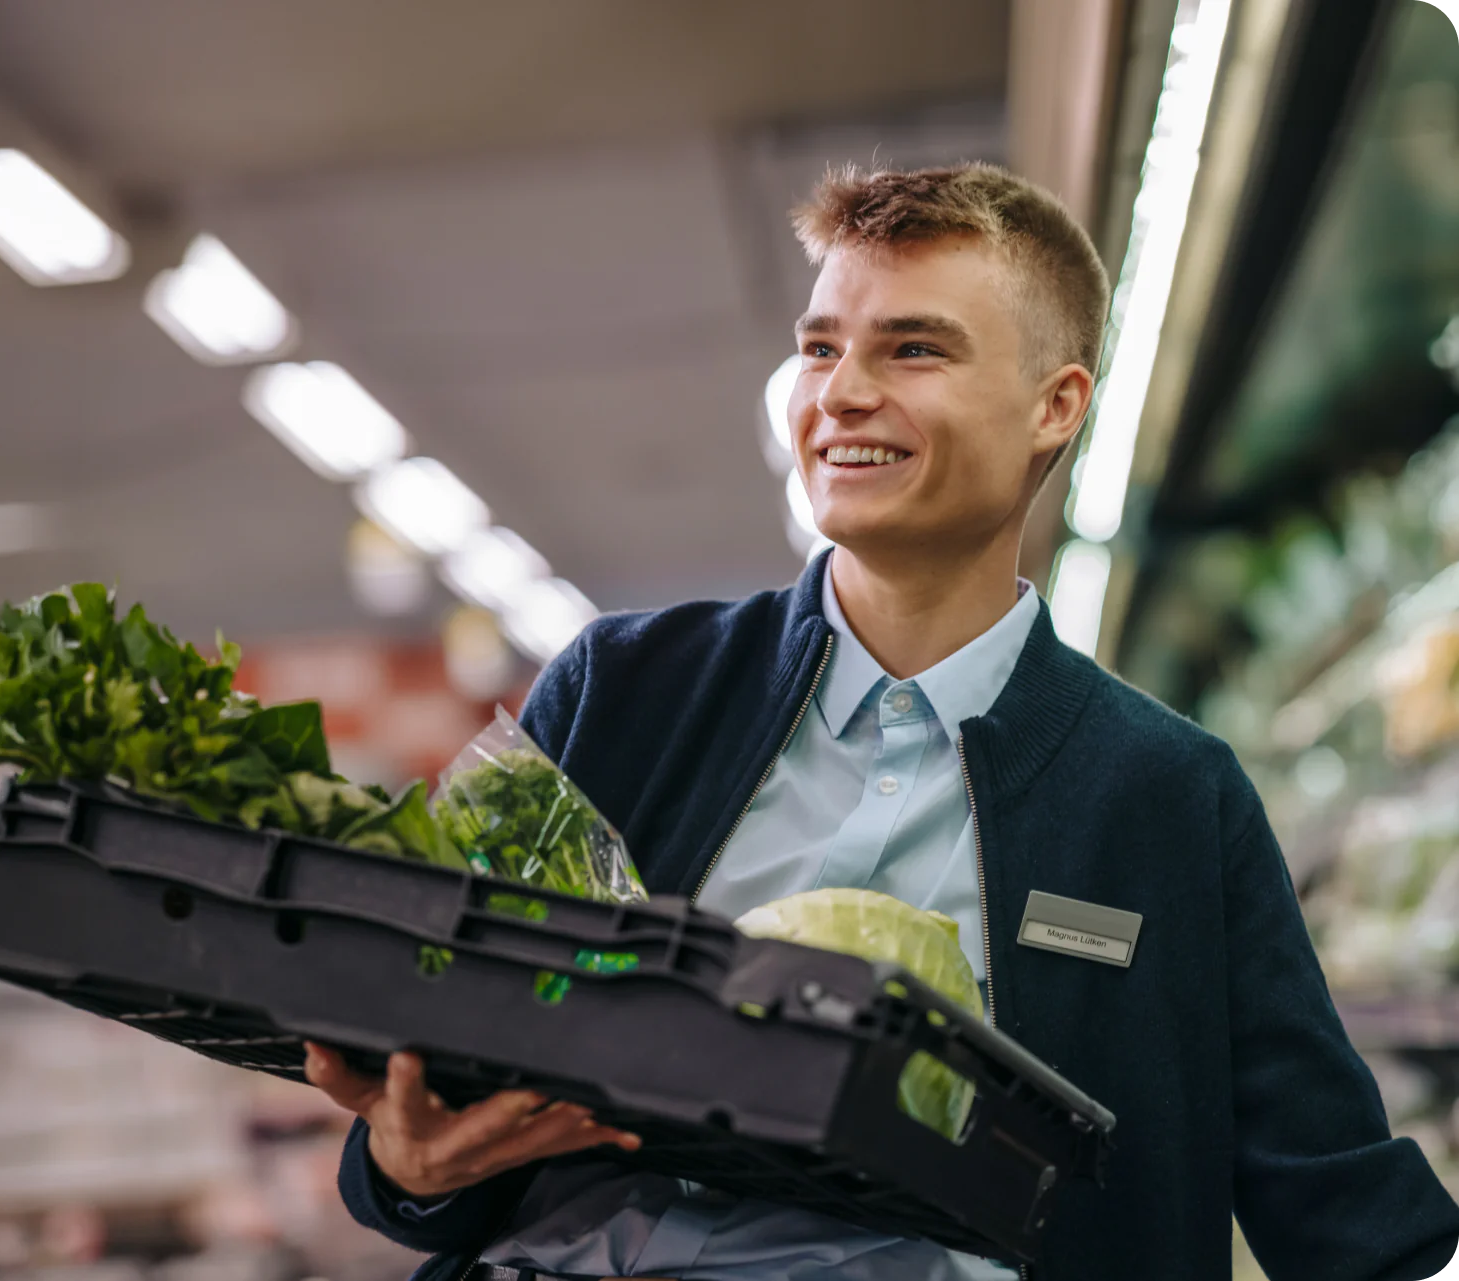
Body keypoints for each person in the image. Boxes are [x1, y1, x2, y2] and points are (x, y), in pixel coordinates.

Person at [304, 163, 1459, 1281]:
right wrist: (411, 1167)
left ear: (1055, 405)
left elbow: (1341, 1201)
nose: (840, 391)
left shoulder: (1169, 797)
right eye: (820, 347)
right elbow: (426, 1088)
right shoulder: (625, 691)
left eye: (913, 348)